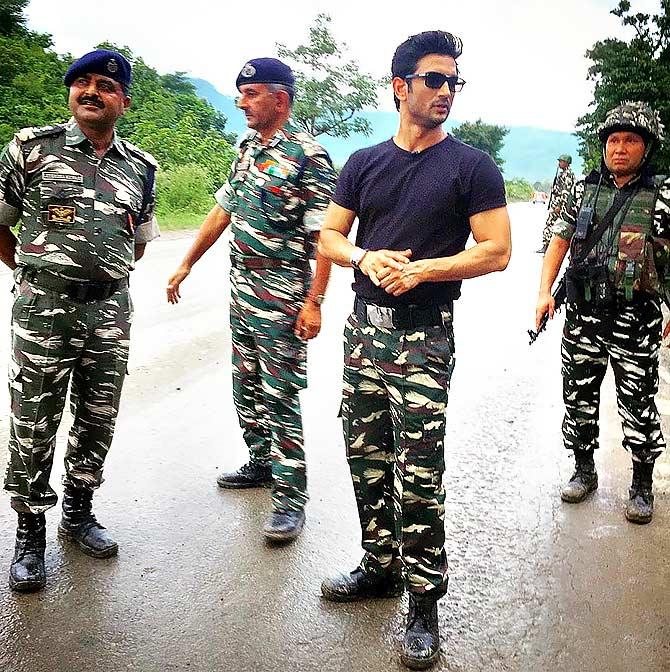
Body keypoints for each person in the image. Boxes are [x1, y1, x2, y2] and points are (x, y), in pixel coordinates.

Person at [318, 31, 511, 669]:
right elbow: (329, 237)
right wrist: (365, 256)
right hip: (362, 331)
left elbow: (496, 250)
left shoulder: (472, 166)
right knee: (365, 455)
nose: (446, 91)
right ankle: (378, 566)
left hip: (426, 334)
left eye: (455, 81)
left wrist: (424, 270)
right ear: (400, 86)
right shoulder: (363, 162)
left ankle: (424, 599)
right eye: (435, 80)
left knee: (420, 472)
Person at [0, 49, 159, 592]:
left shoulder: (141, 166)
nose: (91, 91)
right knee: (33, 422)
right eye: (82, 82)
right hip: (44, 309)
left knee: (97, 418)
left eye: (106, 86)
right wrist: (38, 272)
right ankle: (29, 531)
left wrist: (98, 279)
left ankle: (79, 512)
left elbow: (136, 244)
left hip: (110, 311)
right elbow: (1, 226)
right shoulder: (30, 148)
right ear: (71, 93)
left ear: (123, 101)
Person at [166, 58, 336, 543]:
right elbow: (225, 207)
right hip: (241, 290)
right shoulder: (246, 147)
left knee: (280, 395)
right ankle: (261, 463)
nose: (241, 102)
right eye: (240, 93)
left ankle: (290, 501)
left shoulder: (309, 157)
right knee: (246, 388)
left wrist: (314, 301)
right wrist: (187, 261)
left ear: (279, 99)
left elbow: (324, 236)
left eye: (250, 93)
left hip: (282, 294)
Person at [535, 101, 669, 525]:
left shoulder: (663, 195)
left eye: (631, 140)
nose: (620, 148)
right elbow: (559, 241)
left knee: (639, 403)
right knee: (578, 397)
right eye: (613, 140)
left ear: (647, 148)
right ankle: (583, 470)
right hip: (583, 316)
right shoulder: (583, 190)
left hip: (636, 318)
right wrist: (543, 292)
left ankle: (642, 485)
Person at [537, 154, 575, 253]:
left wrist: (560, 205)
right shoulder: (562, 174)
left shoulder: (568, 175)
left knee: (551, 223)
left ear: (566, 163)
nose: (559, 163)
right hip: (557, 202)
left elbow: (566, 192)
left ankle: (547, 245)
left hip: (560, 204)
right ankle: (547, 245)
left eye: (561, 161)